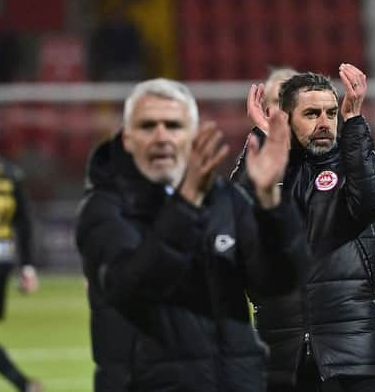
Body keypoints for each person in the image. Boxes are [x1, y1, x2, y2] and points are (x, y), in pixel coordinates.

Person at [75, 78, 304, 391]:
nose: (161, 136)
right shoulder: (105, 208)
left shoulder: (227, 200)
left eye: (173, 125)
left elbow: (277, 284)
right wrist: (187, 202)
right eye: (147, 126)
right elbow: (130, 290)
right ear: (127, 139)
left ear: (193, 136)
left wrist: (270, 204)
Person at [232, 64, 375, 392]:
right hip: (282, 353)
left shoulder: (352, 161)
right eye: (311, 114)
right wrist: (268, 140)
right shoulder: (270, 165)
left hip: (351, 353)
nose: (324, 122)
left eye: (330, 113)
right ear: (286, 118)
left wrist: (354, 123)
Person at [0, 119, 42, 392]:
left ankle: (23, 383)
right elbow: (26, 221)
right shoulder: (11, 172)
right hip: (1, 259)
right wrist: (28, 266)